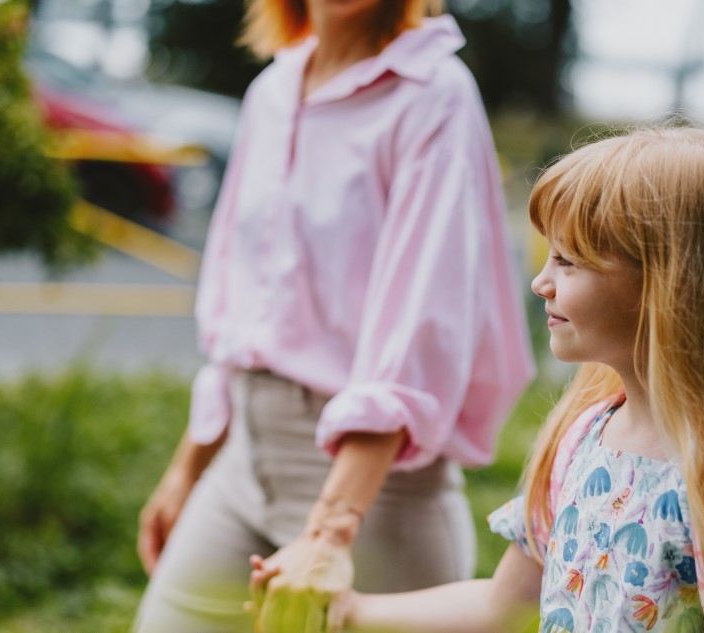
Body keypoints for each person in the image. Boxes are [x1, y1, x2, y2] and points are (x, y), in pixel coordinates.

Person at [255, 123, 704, 632]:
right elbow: (503, 604)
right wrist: (349, 611)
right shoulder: (586, 440)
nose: (542, 282)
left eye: (570, 260)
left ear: (670, 283)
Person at [131, 0, 535, 630]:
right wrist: (189, 465)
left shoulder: (433, 95)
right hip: (243, 458)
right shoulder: (273, 88)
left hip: (374, 488)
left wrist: (331, 529)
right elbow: (246, 317)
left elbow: (422, 326)